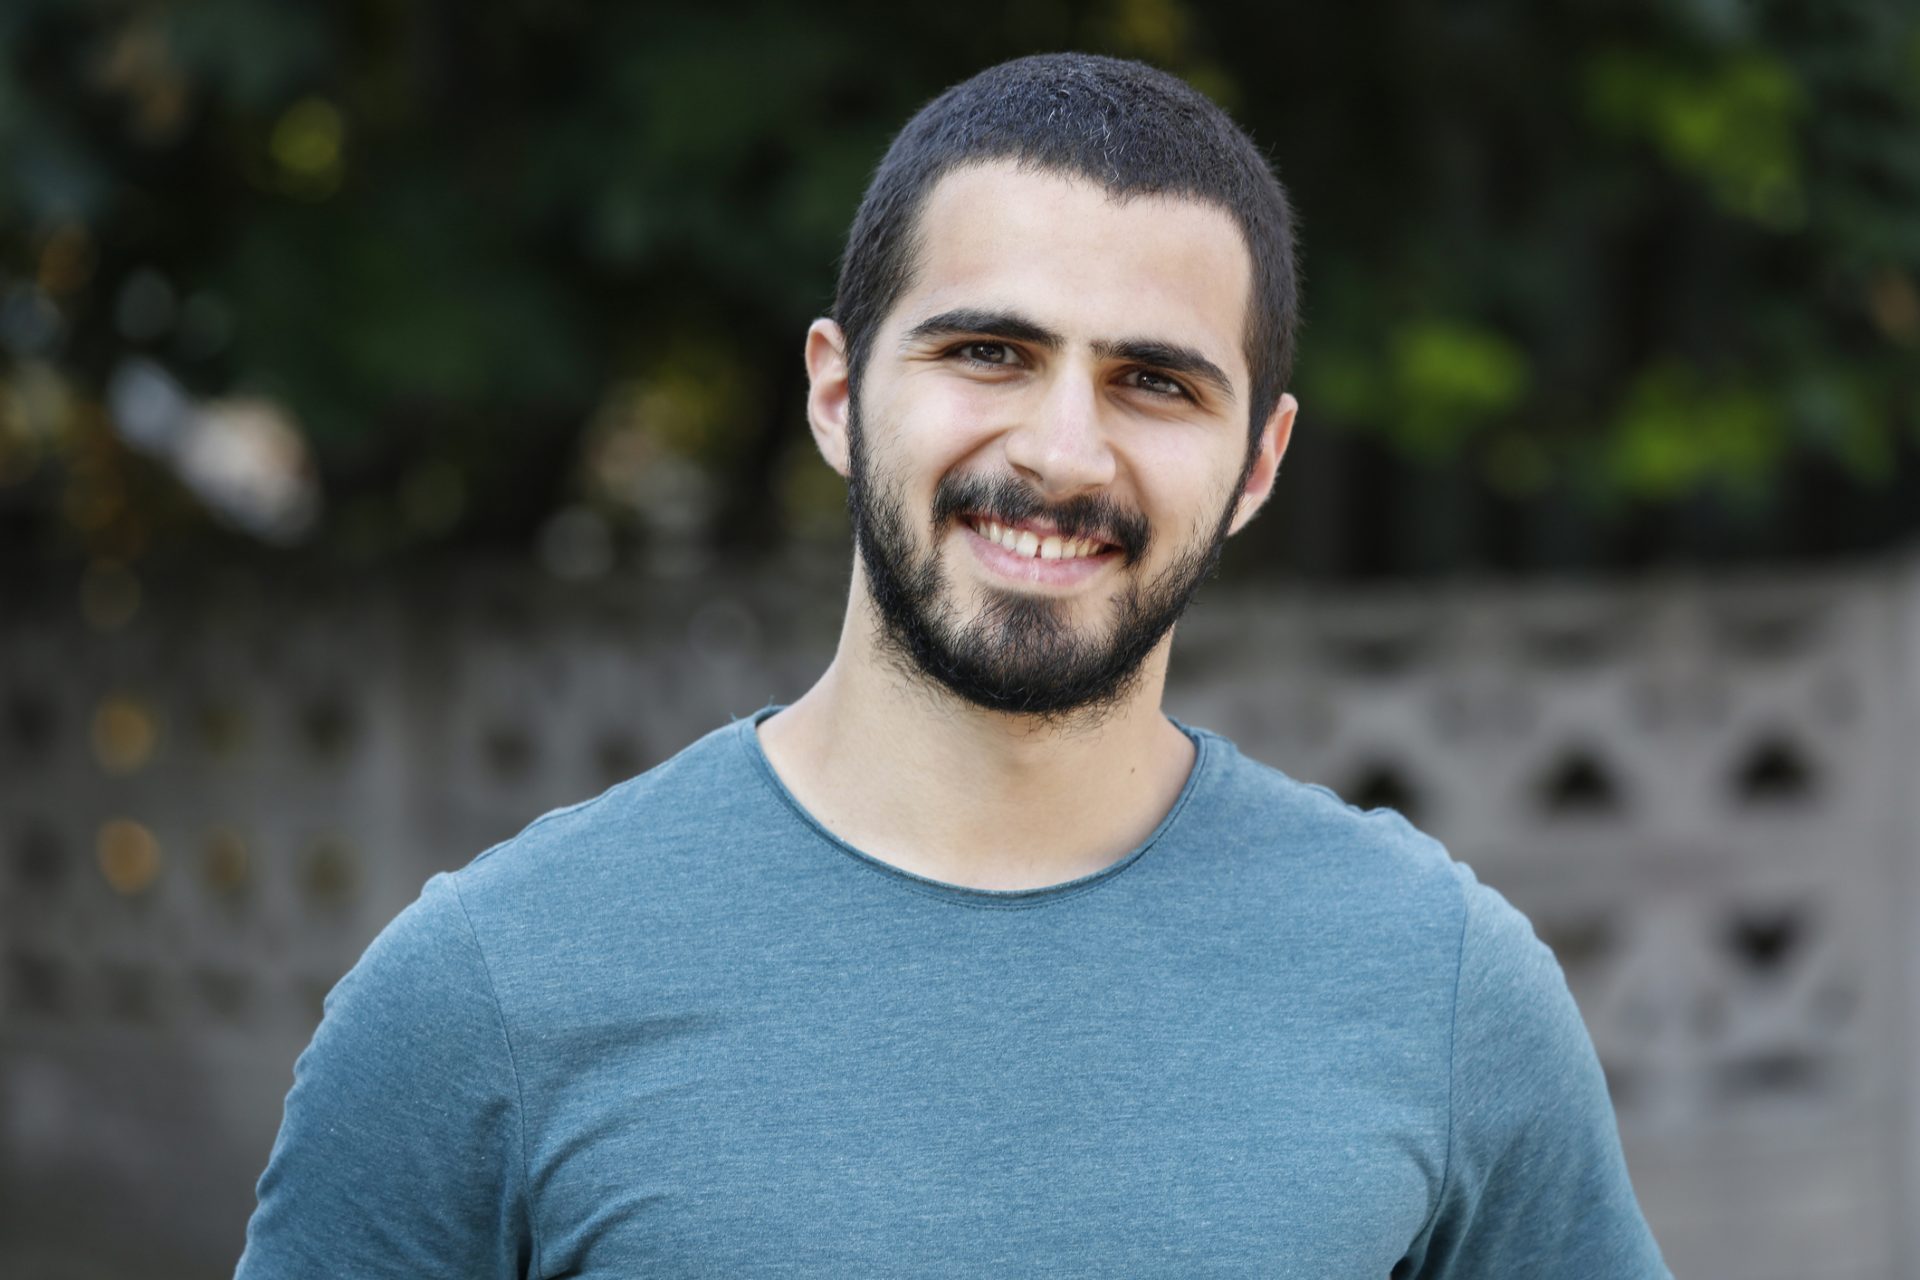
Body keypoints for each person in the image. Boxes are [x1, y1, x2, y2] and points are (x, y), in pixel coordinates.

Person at [236, 53, 1671, 1278]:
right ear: (840, 392)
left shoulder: (1438, 984)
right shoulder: (488, 990)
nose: (1060, 451)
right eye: (988, 351)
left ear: (1258, 464)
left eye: (1155, 381)